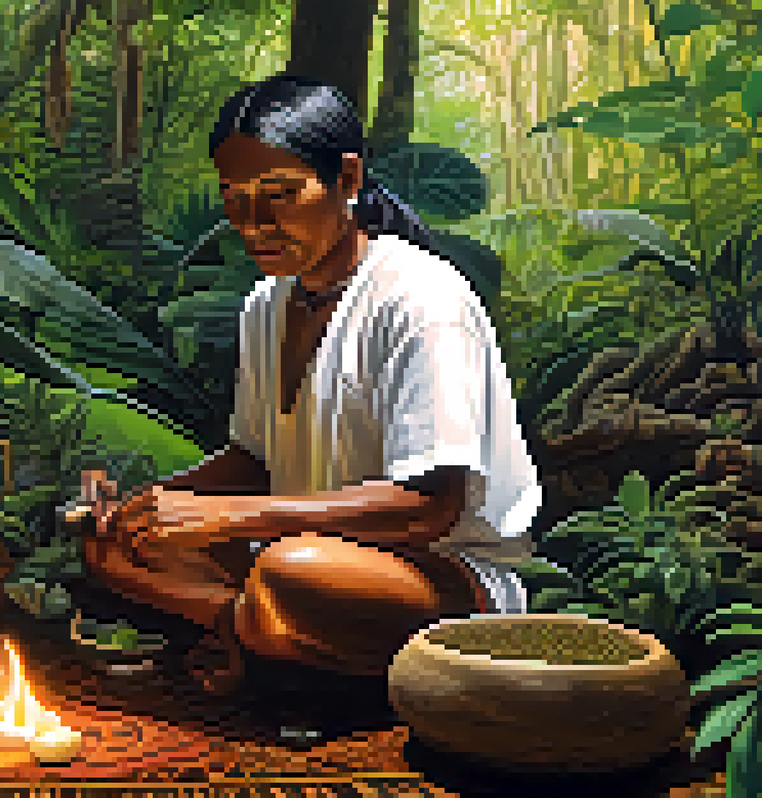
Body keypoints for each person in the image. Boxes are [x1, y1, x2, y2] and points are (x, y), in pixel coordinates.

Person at [83, 74, 541, 690]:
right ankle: (252, 630)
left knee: (289, 571)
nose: (253, 223)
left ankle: (256, 635)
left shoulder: (421, 298)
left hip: (439, 576)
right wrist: (152, 505)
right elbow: (253, 460)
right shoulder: (266, 304)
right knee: (117, 546)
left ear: (347, 180)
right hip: (303, 552)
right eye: (234, 198)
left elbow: (431, 506)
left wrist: (227, 519)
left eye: (280, 194)